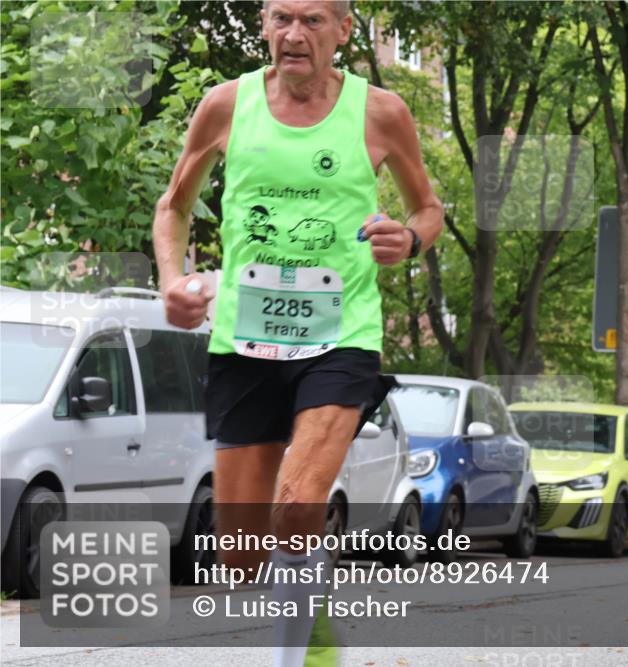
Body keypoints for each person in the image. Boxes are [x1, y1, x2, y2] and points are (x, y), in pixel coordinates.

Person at [152, 2, 443, 665]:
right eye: (282, 16)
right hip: (245, 338)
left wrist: (412, 237)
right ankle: (313, 634)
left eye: (313, 20)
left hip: (341, 334)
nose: (294, 34)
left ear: (344, 30)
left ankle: (295, 661)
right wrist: (173, 278)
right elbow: (173, 207)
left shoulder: (381, 113)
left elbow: (427, 208)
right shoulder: (226, 106)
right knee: (241, 555)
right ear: (262, 24)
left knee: (298, 503)